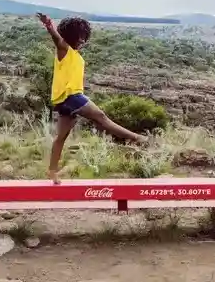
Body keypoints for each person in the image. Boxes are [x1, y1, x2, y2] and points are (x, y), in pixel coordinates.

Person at [37, 12, 147, 184]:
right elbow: (56, 39)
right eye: (78, 37)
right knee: (101, 117)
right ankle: (136, 138)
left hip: (62, 101)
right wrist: (49, 25)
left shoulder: (75, 55)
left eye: (83, 38)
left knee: (61, 137)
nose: (82, 41)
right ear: (70, 36)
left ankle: (52, 171)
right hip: (71, 96)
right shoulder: (64, 49)